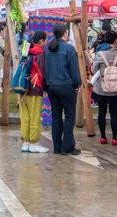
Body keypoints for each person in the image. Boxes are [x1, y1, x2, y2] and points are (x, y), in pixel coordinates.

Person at [44, 24, 81, 155]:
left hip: (51, 86)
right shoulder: (69, 48)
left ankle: (57, 147)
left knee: (56, 117)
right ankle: (68, 147)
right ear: (65, 33)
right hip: (66, 86)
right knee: (70, 116)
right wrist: (77, 84)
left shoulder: (48, 49)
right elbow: (74, 69)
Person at [91, 30, 117, 146]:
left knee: (101, 112)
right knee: (114, 112)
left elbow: (93, 70)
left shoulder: (100, 54)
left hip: (102, 88)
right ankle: (114, 138)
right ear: (116, 40)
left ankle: (103, 137)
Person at [20, 31, 49, 153]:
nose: (46, 42)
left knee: (25, 117)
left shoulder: (26, 50)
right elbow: (43, 73)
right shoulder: (40, 54)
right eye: (46, 40)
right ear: (41, 41)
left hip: (22, 88)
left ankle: (26, 142)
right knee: (35, 117)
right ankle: (34, 142)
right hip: (35, 88)